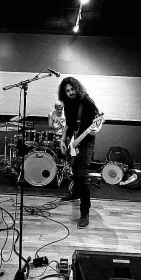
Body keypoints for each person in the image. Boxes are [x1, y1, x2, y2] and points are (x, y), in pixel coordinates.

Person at [58, 77, 100, 229]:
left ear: (77, 88)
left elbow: (97, 123)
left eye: (72, 89)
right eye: (67, 91)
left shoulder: (87, 102)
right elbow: (68, 124)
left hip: (86, 141)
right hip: (73, 140)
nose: (70, 93)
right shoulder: (67, 103)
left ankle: (85, 212)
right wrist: (63, 140)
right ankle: (75, 193)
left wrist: (95, 129)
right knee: (74, 170)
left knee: (82, 175)